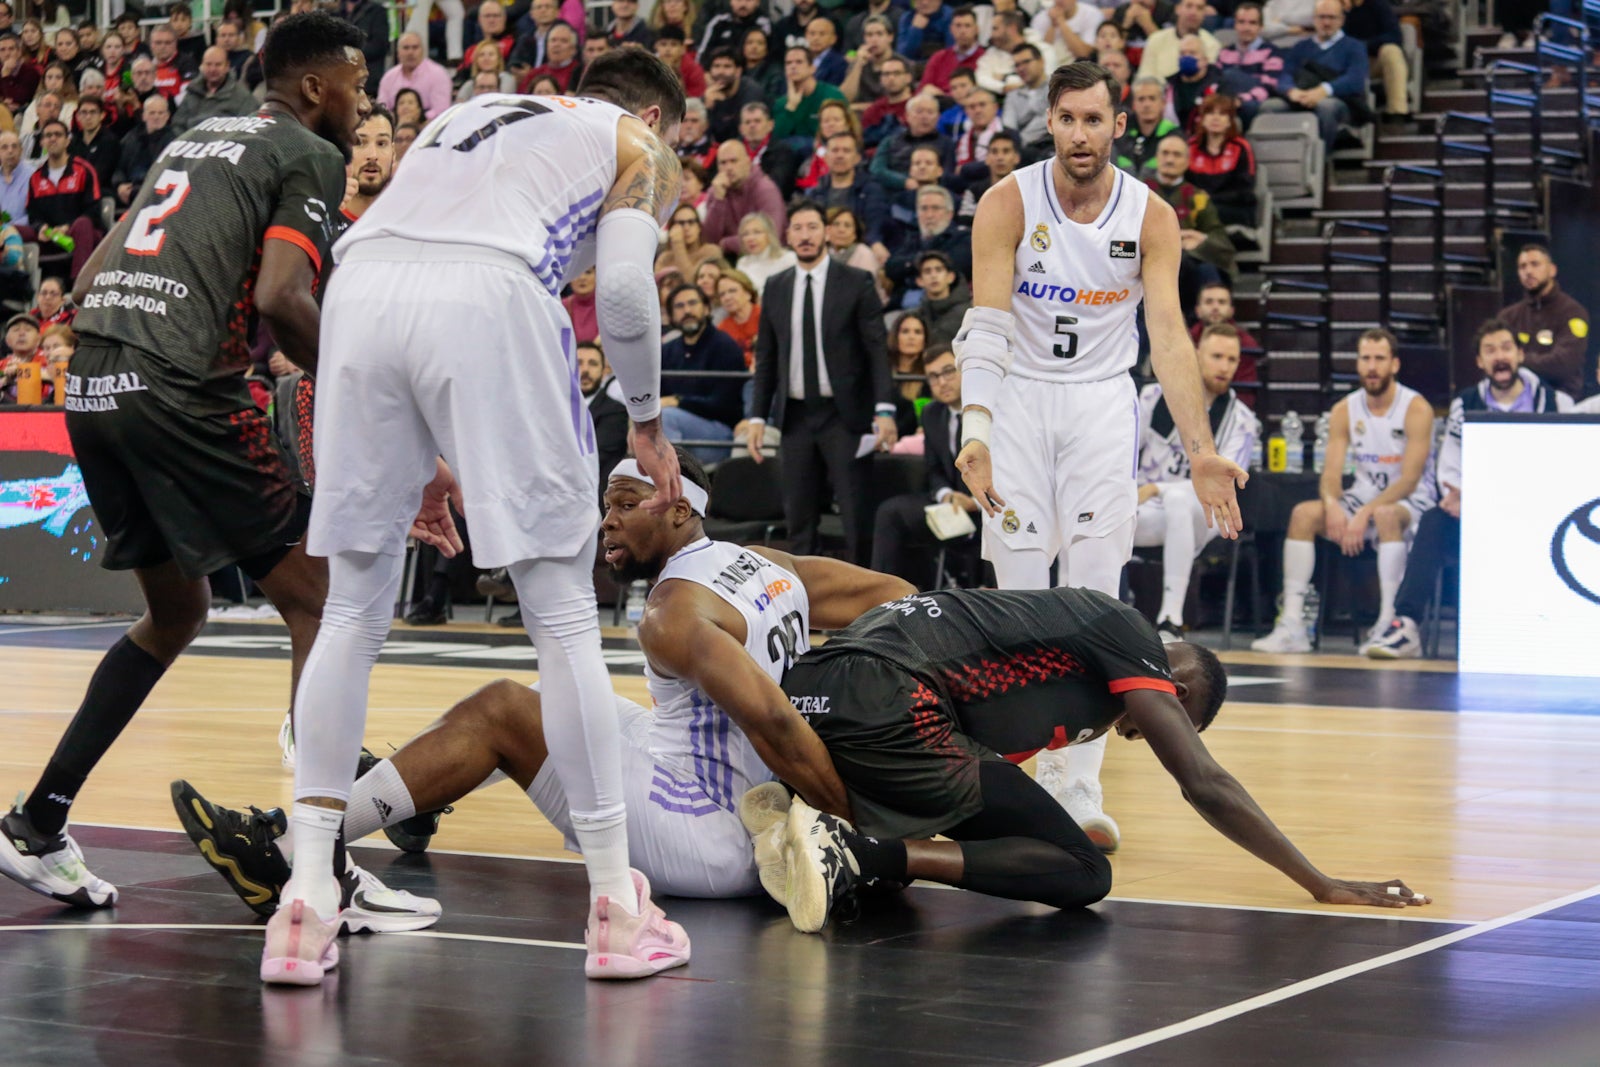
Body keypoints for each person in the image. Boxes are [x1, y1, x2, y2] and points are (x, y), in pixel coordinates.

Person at [0, 12, 440, 946]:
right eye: (356, 89)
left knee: (178, 612)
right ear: (317, 87)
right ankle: (320, 869)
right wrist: (378, 399)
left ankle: (39, 822)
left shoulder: (194, 137)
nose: (361, 106)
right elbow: (284, 298)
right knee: (318, 600)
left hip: (93, 380)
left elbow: (86, 283)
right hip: (178, 386)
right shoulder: (307, 155)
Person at [291, 45, 693, 984]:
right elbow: (627, 291)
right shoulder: (639, 141)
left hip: (357, 290)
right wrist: (644, 420)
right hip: (488, 292)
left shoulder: (472, 114)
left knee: (350, 610)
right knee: (561, 619)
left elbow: (415, 272)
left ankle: (306, 898)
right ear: (660, 118)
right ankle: (616, 907)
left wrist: (429, 452)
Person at [172, 452, 914, 916]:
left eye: (627, 504)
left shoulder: (674, 608)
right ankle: (415, 802)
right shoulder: (764, 563)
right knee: (558, 694)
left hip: (716, 832)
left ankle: (294, 844)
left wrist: (861, 836)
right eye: (606, 506)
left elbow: (780, 726)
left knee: (507, 712)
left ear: (680, 507)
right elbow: (897, 594)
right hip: (730, 786)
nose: (608, 522)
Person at [746, 583, 1429, 934]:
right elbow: (1204, 781)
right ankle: (862, 851)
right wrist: (1320, 880)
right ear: (1177, 688)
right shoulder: (1130, 635)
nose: (1138, 735)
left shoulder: (1057, 630)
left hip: (817, 689)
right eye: (1162, 724)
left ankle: (810, 824)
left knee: (980, 821)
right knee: (1081, 870)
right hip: (892, 699)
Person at [951, 61, 1247, 853]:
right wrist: (973, 426)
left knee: (1092, 593)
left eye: (1095, 119)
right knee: (1016, 588)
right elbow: (985, 322)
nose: (1081, 133)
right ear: (1049, 122)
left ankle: (1077, 785)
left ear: (1121, 125)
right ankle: (1009, 776)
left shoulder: (1150, 216)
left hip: (1100, 402)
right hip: (1017, 396)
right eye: (1068, 119)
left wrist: (1204, 451)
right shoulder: (1006, 203)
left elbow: (1171, 338)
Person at [1367, 319, 1573, 658]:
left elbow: (1562, 469)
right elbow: (1449, 469)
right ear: (1479, 362)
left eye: (1506, 348)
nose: (1499, 357)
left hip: (1537, 521)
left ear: (1520, 354)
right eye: (1490, 351)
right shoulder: (1465, 403)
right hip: (1478, 518)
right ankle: (1405, 625)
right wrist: (1470, 501)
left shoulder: (1556, 402)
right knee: (1434, 521)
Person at [1253, 328, 1437, 653]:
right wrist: (1332, 503)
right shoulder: (1344, 409)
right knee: (1303, 514)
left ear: (1394, 364)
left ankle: (1390, 623)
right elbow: (1332, 474)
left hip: (1411, 500)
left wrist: (1364, 512)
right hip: (1366, 496)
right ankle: (1292, 624)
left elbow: (1410, 479)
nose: (1371, 366)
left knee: (1384, 514)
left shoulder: (1416, 408)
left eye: (1379, 359)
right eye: (1365, 358)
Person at [744, 200, 895, 563]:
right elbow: (766, 357)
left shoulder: (856, 281)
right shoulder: (776, 286)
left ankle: (866, 607)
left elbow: (877, 350)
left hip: (843, 415)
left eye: (813, 227)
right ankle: (805, 609)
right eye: (798, 228)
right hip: (795, 417)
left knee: (855, 513)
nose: (806, 235)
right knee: (799, 516)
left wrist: (885, 409)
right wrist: (757, 418)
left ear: (826, 233)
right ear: (788, 235)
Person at [1133, 324, 1260, 640]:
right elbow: (1122, 452)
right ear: (1196, 355)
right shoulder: (1155, 396)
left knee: (1178, 501)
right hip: (1147, 509)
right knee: (1088, 509)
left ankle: (1170, 620)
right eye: (1216, 356)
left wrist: (1157, 489)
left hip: (1207, 512)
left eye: (1231, 359)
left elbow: (1226, 485)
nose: (1224, 366)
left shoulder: (1242, 419)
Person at [870, 345, 983, 590]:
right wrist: (946, 494)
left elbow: (1009, 472)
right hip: (949, 506)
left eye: (948, 372)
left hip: (989, 506)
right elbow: (934, 470)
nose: (941, 382)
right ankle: (882, 600)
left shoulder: (990, 412)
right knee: (891, 512)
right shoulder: (932, 413)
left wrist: (973, 501)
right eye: (933, 376)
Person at [1259, 0, 1369, 152]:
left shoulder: (1354, 47)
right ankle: (1278, 159)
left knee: (1326, 107)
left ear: (1342, 20)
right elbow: (1285, 75)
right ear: (1314, 20)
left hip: (1341, 103)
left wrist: (1323, 91)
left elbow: (1355, 80)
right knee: (1269, 107)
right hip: (1301, 97)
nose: (1326, 22)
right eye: (1322, 17)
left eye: (1332, 17)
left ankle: (1320, 163)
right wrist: (1291, 91)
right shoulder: (1300, 47)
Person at [659, 282, 747, 461]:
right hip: (677, 430)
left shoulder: (725, 346)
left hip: (719, 432)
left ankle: (673, 482)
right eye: (679, 306)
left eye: (693, 303)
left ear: (707, 309)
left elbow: (723, 405)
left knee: (665, 416)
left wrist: (678, 401)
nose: (687, 311)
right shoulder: (667, 350)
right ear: (672, 315)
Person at [1498, 243, 1590, 399]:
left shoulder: (1573, 312)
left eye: (1535, 264)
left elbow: (1563, 365)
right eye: (1522, 267)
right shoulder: (1507, 317)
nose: (1528, 271)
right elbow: (1498, 362)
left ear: (1552, 270)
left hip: (1561, 399)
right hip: (1516, 400)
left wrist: (1518, 360)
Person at [26, 119, 103, 279]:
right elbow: (32, 215)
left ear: (67, 141)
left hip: (81, 234)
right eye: (48, 135)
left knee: (83, 224)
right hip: (51, 237)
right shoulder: (35, 177)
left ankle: (79, 288)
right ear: (42, 143)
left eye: (58, 135)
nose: (53, 139)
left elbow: (94, 211)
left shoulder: (84, 169)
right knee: (14, 231)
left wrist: (67, 227)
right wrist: (41, 228)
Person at [702, 138, 786, 257]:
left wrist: (726, 243)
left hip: (769, 257)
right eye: (723, 163)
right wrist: (718, 200)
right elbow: (709, 241)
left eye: (734, 161)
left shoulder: (765, 189)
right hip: (729, 259)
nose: (729, 167)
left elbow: (771, 236)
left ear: (748, 162)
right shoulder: (716, 191)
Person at [1186, 94, 1258, 229]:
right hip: (1198, 207)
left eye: (1222, 114)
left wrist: (1210, 198)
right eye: (1210, 113)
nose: (1216, 118)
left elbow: (1246, 192)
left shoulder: (1241, 148)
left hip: (1234, 209)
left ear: (1230, 121)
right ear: (1202, 119)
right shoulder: (1191, 147)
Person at [1190, 281, 1260, 403]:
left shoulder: (1247, 344)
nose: (1215, 307)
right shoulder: (1186, 340)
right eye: (1209, 302)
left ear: (1231, 310)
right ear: (1198, 310)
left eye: (1221, 302)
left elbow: (1245, 393)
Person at [1215, 1, 1283, 124]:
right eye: (1241, 22)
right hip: (1227, 101)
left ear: (1261, 27)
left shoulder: (1272, 52)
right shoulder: (1224, 52)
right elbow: (1214, 82)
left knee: (1230, 75)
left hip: (1251, 101)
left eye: (1252, 23)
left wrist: (1241, 99)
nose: (1246, 28)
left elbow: (1269, 86)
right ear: (1234, 25)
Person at [1342, 0, 1409, 123]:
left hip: (1372, 60)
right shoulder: (1335, 9)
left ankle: (1397, 112)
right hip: (1346, 64)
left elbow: (1395, 36)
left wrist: (1364, 45)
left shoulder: (1378, 5)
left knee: (1391, 51)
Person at [171, 47, 257, 134]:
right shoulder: (192, 91)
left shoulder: (242, 96)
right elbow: (177, 124)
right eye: (208, 64)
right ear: (202, 66)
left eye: (218, 65)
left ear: (227, 66)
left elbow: (248, 127)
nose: (212, 69)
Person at [113, 94, 175, 207]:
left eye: (161, 113)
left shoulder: (173, 141)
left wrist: (138, 189)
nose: (156, 117)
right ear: (144, 116)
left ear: (167, 116)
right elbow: (119, 167)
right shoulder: (131, 138)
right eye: (152, 113)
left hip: (153, 192)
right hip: (128, 188)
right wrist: (120, 185)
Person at [1137, 0, 1222, 81]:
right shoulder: (1156, 39)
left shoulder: (1212, 45)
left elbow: (1207, 79)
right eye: (1189, 6)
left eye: (1199, 8)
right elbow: (1145, 75)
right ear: (1178, 9)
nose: (1193, 12)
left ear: (1204, 14)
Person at [378, 32, 453, 119]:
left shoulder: (439, 74)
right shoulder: (388, 78)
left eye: (415, 47)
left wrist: (416, 119)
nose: (410, 52)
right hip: (395, 127)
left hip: (428, 126)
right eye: (406, 48)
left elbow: (441, 110)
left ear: (423, 50)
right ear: (398, 52)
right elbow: (382, 109)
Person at [1114, 76, 1177, 175]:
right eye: (1141, 99)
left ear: (1163, 103)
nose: (1146, 104)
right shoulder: (1119, 131)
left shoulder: (1174, 135)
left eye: (1152, 98)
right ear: (1134, 103)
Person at [911, 249, 971, 349]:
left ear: (950, 277)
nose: (933, 276)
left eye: (938, 270)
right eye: (927, 271)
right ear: (919, 281)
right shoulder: (916, 317)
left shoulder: (967, 314)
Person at [918, 5, 982, 95]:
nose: (962, 31)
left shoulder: (985, 58)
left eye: (967, 26)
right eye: (958, 26)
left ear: (977, 29)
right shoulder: (939, 57)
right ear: (951, 29)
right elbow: (923, 88)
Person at [702, 46, 761, 142]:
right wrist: (708, 108)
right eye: (716, 66)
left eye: (727, 66)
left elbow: (744, 132)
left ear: (738, 71)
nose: (721, 72)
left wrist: (724, 104)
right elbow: (703, 137)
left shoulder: (751, 92)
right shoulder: (709, 95)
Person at [734, 210, 799, 295]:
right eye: (745, 234)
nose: (750, 238)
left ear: (769, 234)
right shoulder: (742, 263)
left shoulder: (788, 259)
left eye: (757, 232)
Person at [715, 267, 761, 369]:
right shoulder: (722, 329)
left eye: (732, 291)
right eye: (722, 294)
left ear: (748, 293)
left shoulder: (766, 318)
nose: (727, 298)